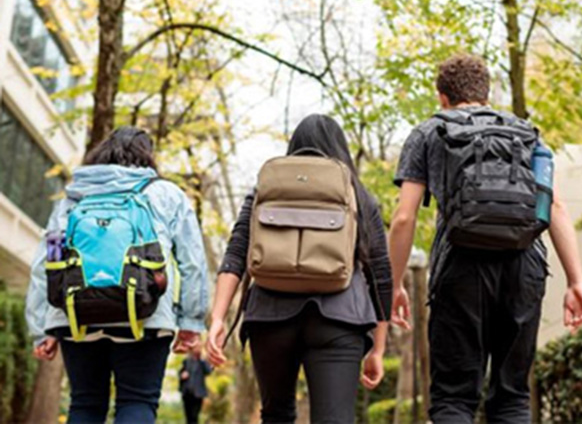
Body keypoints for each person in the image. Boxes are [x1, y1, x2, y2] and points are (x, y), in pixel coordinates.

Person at [389, 54, 582, 424]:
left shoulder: (428, 131)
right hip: (523, 265)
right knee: (512, 396)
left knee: (453, 397)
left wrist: (393, 285)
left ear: (442, 96)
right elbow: (555, 205)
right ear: (486, 93)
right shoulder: (527, 133)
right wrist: (576, 281)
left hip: (460, 265)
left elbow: (404, 217)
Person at [207, 114, 392, 424]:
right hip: (340, 317)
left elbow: (236, 253)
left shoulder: (265, 190)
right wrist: (378, 348)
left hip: (269, 315)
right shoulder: (356, 193)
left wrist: (217, 318)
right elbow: (381, 274)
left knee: (276, 415)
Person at [26, 127, 209, 424]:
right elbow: (192, 262)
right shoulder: (165, 194)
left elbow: (46, 261)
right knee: (138, 401)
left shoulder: (74, 196)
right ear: (147, 157)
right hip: (145, 311)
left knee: (85, 404)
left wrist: (42, 327)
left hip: (76, 314)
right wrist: (191, 322)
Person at [179, 343, 212, 424]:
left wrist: (203, 359)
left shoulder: (202, 362)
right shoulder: (186, 361)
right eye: (196, 348)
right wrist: (182, 375)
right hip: (187, 393)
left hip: (198, 394)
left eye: (199, 348)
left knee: (195, 416)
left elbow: (208, 371)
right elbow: (180, 373)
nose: (198, 350)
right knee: (188, 416)